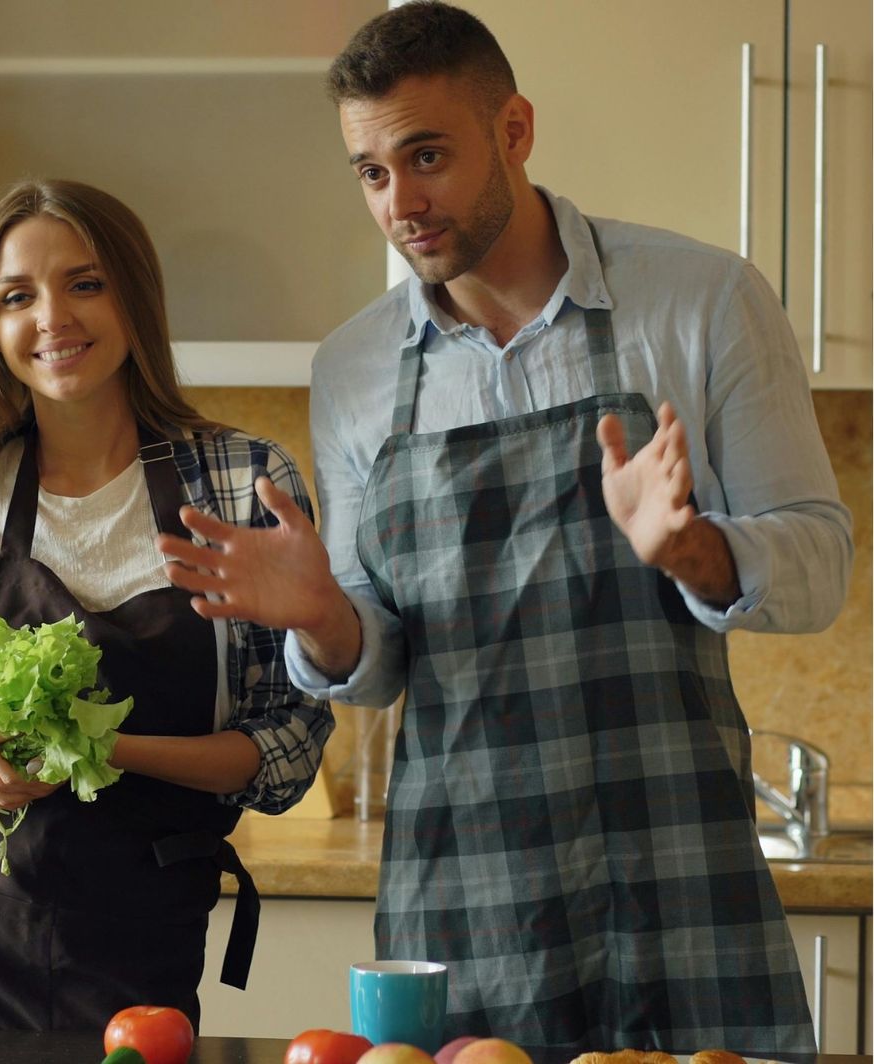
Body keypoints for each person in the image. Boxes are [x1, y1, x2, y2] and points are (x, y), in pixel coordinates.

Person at [157, 2, 851, 1054]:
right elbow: (378, 660)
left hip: (678, 865)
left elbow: (820, 562)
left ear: (515, 130)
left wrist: (692, 550)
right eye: (372, 172)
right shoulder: (354, 370)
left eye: (427, 157)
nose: (401, 203)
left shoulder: (702, 300)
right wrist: (323, 619)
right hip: (463, 889)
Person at [0, 178, 332, 1032]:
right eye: (17, 296)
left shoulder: (243, 483)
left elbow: (288, 746)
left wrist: (98, 749)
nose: (52, 318)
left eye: (84, 283)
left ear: (134, 297)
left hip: (135, 935)